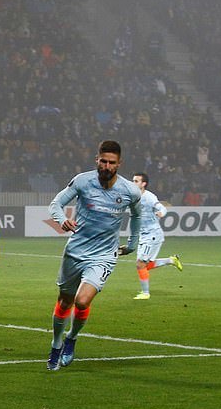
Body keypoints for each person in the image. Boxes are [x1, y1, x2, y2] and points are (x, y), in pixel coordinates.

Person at [45, 141, 142, 370]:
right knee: (65, 301)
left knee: (82, 300)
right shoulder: (82, 181)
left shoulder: (130, 191)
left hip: (104, 255)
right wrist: (61, 220)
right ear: (96, 160)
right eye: (103, 161)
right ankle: (56, 343)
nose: (107, 166)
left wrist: (132, 242)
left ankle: (72, 338)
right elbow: (56, 203)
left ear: (119, 164)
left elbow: (137, 216)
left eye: (112, 162)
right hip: (76, 251)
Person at [131, 172, 183, 300]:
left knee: (140, 264)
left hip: (152, 234)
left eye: (136, 181)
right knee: (144, 265)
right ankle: (171, 260)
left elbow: (161, 207)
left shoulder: (149, 197)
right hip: (144, 234)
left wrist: (161, 212)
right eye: (133, 180)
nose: (133, 183)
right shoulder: (132, 196)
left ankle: (145, 293)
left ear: (144, 184)